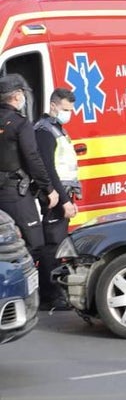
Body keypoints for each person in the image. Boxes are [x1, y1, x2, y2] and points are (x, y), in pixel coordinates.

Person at [0, 74, 59, 303]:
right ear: (17, 96)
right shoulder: (20, 123)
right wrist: (48, 188)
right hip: (16, 194)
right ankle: (40, 296)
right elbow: (33, 158)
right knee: (35, 243)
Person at [33, 87, 79, 309]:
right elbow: (49, 170)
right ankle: (50, 296)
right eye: (65, 109)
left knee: (58, 244)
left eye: (70, 109)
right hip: (55, 197)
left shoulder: (56, 128)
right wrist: (64, 200)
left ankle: (55, 292)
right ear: (53, 106)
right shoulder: (44, 131)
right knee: (52, 246)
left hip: (63, 193)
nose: (68, 114)